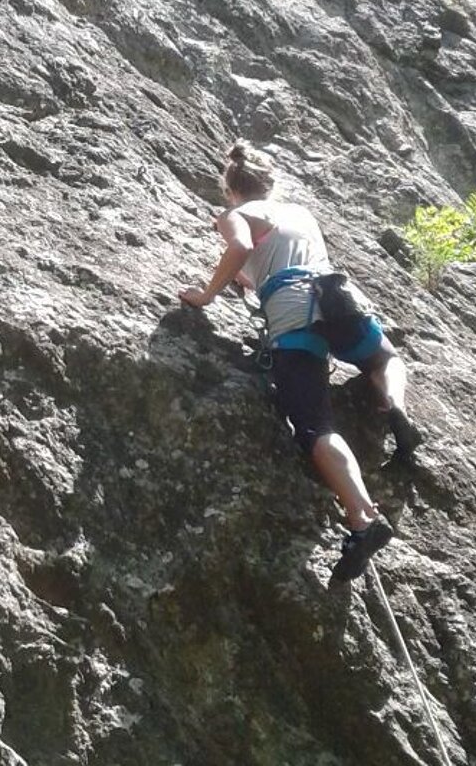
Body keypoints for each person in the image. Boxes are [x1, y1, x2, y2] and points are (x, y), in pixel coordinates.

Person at [178, 142, 422, 582]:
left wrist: (207, 294)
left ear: (231, 190)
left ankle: (362, 517)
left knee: (314, 426)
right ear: (269, 185)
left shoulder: (235, 213)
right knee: (384, 357)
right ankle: (395, 405)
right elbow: (266, 264)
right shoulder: (300, 213)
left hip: (293, 314)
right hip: (336, 297)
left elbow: (241, 247)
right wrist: (246, 279)